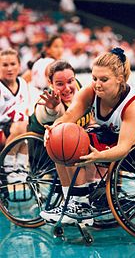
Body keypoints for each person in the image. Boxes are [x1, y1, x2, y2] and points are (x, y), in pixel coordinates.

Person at [41, 47, 135, 224]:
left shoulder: (133, 103)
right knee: (62, 141)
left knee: (78, 147)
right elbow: (69, 116)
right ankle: (73, 203)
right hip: (115, 137)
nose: (97, 84)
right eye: (94, 78)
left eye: (104, 79)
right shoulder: (92, 91)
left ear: (119, 79)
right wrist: (53, 129)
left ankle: (80, 203)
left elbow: (122, 149)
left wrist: (99, 156)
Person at [29, 60, 95, 225]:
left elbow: (90, 118)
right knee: (66, 144)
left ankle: (79, 202)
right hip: (41, 149)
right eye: (59, 84)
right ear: (50, 83)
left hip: (69, 144)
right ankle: (75, 204)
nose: (66, 88)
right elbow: (47, 114)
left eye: (70, 81)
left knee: (86, 139)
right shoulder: (47, 100)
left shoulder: (80, 89)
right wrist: (52, 108)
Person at [0, 48, 29, 182]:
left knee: (28, 124)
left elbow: (26, 108)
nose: (9, 68)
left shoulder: (23, 83)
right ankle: (9, 165)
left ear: (19, 66)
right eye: (5, 65)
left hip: (17, 126)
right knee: (22, 124)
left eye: (13, 64)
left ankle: (21, 166)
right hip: (2, 126)